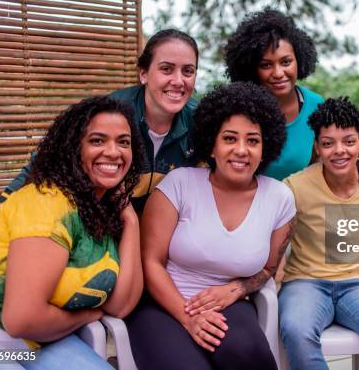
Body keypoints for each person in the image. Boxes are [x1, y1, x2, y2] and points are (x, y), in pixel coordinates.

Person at [0, 29, 200, 249]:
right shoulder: (112, 113)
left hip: (164, 244)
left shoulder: (201, 122)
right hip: (102, 232)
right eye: (166, 69)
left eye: (188, 71)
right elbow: (42, 165)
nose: (178, 81)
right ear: (143, 74)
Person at [125, 82, 296, 370]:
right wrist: (187, 315)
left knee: (252, 357)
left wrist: (237, 289)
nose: (241, 150)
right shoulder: (179, 184)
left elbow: (268, 268)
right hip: (161, 303)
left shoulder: (280, 198)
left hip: (229, 303)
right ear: (212, 145)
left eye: (253, 141)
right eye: (230, 139)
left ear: (265, 148)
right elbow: (150, 262)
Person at [0, 96, 144, 369]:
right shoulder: (48, 203)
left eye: (123, 142)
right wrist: (84, 317)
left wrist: (131, 221)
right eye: (97, 140)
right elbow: (22, 319)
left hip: (36, 342)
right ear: (74, 149)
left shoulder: (99, 210)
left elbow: (120, 306)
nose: (113, 151)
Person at [278, 97, 359, 370]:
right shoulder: (294, 186)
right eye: (328, 143)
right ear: (317, 146)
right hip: (306, 282)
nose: (339, 151)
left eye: (348, 141)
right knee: (296, 331)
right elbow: (277, 245)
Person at [224, 8, 324, 181]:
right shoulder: (238, 109)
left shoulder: (317, 107)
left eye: (286, 62)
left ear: (299, 60)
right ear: (252, 69)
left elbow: (320, 171)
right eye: (266, 65)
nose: (278, 73)